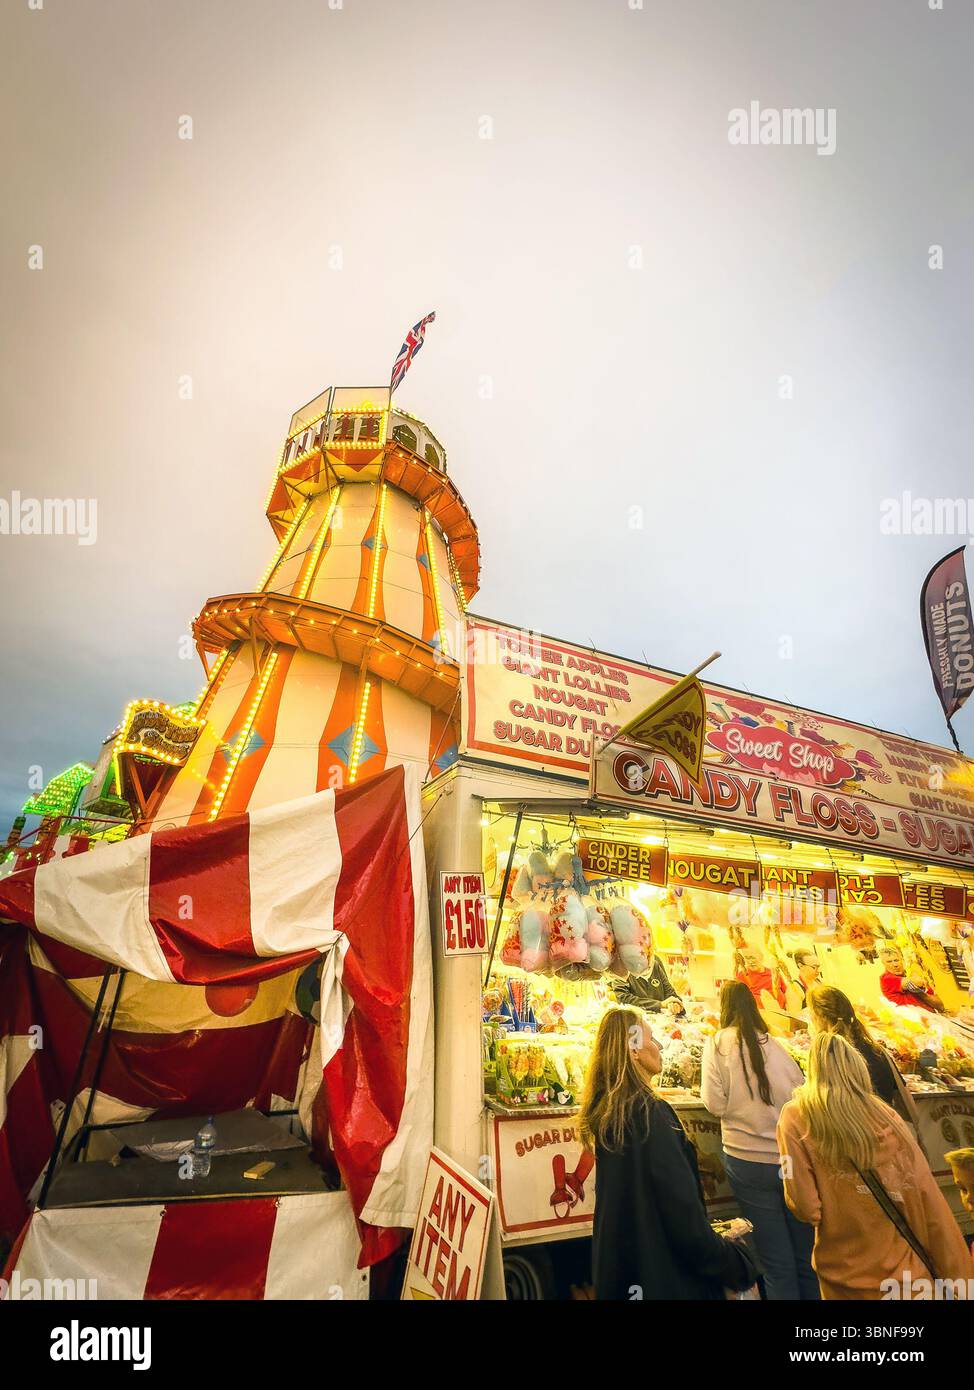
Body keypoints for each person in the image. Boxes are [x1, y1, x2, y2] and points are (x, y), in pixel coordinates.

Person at [777, 1032, 974, 1299]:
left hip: (843, 1279)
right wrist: (961, 1280)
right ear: (858, 1069)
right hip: (907, 1280)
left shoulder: (795, 1117)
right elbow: (929, 1200)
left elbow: (805, 1207)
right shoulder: (887, 1116)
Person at [579, 1006, 755, 1300]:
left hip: (626, 1275)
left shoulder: (610, 1114)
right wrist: (735, 1261)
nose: (659, 1046)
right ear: (633, 1049)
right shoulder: (651, 1114)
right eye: (652, 1038)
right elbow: (684, 1218)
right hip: (666, 1279)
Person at [700, 981, 818, 1300]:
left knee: (775, 1262)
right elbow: (801, 1094)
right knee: (806, 1256)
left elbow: (713, 1103)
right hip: (787, 1160)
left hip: (747, 1161)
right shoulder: (775, 1045)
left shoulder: (718, 1043)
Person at [806, 984, 914, 1124]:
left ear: (820, 1017)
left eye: (811, 1013)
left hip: (863, 1136)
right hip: (887, 1128)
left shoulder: (832, 1056)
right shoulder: (875, 1049)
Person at [878, 944, 944, 1013]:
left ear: (902, 960)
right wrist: (918, 983)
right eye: (889, 962)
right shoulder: (886, 978)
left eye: (896, 960)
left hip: (933, 1018)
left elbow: (940, 1005)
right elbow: (918, 982)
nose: (895, 965)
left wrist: (923, 995)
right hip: (915, 1021)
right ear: (883, 963)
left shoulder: (908, 975)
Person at [612, 955, 685, 1015]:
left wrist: (675, 1003)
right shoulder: (620, 967)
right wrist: (660, 1004)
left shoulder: (654, 964)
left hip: (661, 1025)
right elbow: (624, 999)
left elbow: (670, 993)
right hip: (636, 1024)